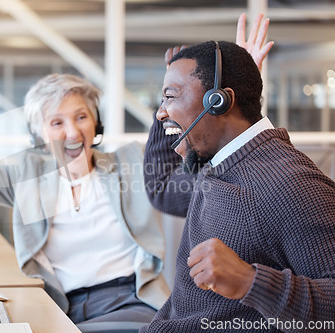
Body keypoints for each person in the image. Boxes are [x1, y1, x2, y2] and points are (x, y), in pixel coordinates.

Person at [0, 12, 271, 327]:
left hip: (132, 303)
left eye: (80, 117)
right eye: (56, 122)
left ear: (96, 123)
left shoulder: (131, 162)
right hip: (55, 305)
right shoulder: (25, 175)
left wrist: (240, 87)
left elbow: (213, 162)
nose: (72, 130)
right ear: (40, 133)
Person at [142, 37, 335, 333]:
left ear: (218, 102)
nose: (160, 112)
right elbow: (163, 191)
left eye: (171, 96)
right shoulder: (217, 162)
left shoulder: (290, 182)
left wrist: (249, 282)